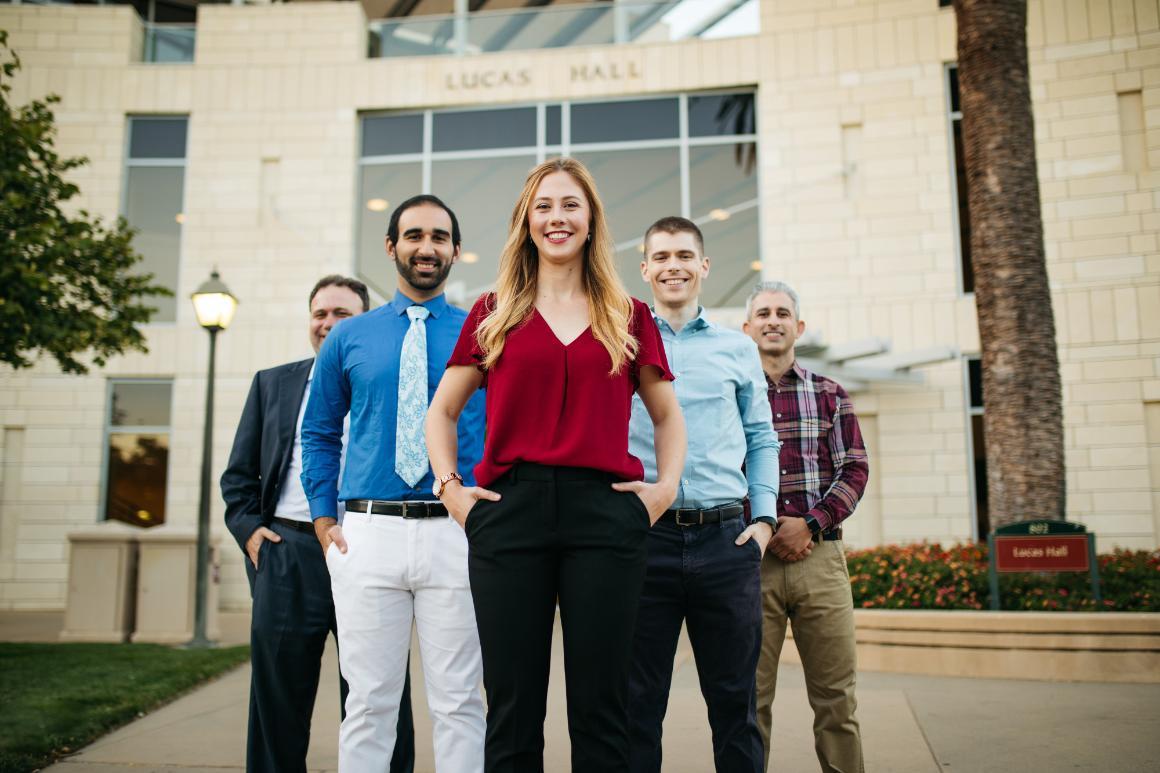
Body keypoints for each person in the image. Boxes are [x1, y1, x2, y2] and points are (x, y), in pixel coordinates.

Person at [425, 157, 686, 773]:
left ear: (591, 219)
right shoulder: (494, 310)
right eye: (543, 206)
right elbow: (441, 414)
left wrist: (664, 490)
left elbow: (668, 417)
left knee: (602, 708)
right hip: (509, 514)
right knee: (512, 709)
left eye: (570, 204)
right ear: (526, 221)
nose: (557, 217)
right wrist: (451, 490)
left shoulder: (628, 315)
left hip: (606, 515)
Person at [301, 196, 487, 772]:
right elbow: (319, 430)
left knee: (459, 703)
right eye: (413, 236)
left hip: (456, 533)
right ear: (391, 247)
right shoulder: (348, 337)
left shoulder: (486, 333)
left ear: (456, 250)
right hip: (367, 533)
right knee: (368, 704)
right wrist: (323, 515)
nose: (426, 247)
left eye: (439, 237)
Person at [220, 275, 416, 773]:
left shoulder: (390, 379)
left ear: (365, 324)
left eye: (342, 315)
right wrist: (250, 533)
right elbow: (240, 475)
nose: (328, 324)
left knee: (378, 693)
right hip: (288, 550)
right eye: (320, 314)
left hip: (369, 546)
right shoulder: (273, 382)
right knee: (277, 700)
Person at [626, 217, 781, 773]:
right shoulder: (619, 345)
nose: (674, 266)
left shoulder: (737, 350)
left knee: (736, 707)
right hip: (646, 543)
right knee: (636, 707)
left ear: (704, 266)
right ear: (644, 268)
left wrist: (763, 520)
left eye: (684, 255)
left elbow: (762, 438)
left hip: (725, 541)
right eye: (661, 256)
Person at [742, 281, 869, 773]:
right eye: (763, 313)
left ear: (798, 327)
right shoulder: (735, 394)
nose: (772, 320)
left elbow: (854, 470)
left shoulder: (831, 394)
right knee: (749, 701)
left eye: (782, 313)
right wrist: (766, 524)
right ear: (747, 327)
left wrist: (811, 524)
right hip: (754, 565)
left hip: (822, 563)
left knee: (837, 701)